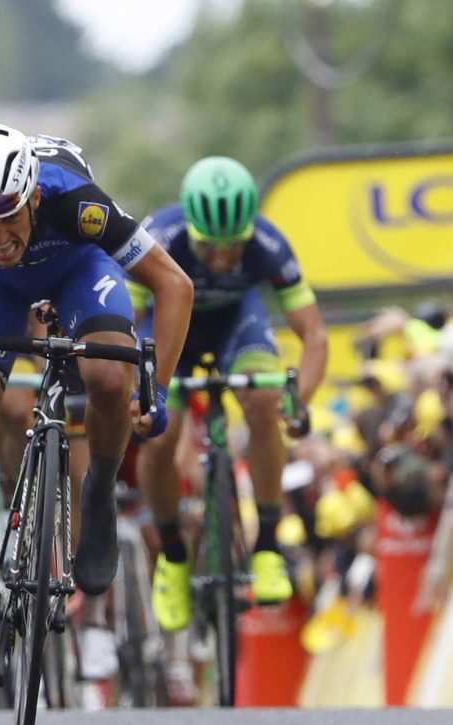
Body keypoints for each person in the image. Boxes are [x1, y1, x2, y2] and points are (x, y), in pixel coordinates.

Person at [0, 126, 195, 680]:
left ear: (33, 196)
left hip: (79, 269)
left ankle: (98, 489)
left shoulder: (78, 205)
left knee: (107, 377)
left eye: (9, 216)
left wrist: (157, 389)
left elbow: (175, 287)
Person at [134, 155, 328, 633]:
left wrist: (295, 401)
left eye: (232, 248)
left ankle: (266, 544)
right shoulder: (161, 235)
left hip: (237, 326)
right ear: (191, 229)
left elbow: (315, 337)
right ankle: (174, 557)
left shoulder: (268, 243)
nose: (222, 259)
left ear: (249, 230)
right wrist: (138, 391)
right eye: (210, 248)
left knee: (263, 403)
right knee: (161, 432)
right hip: (169, 326)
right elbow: (124, 317)